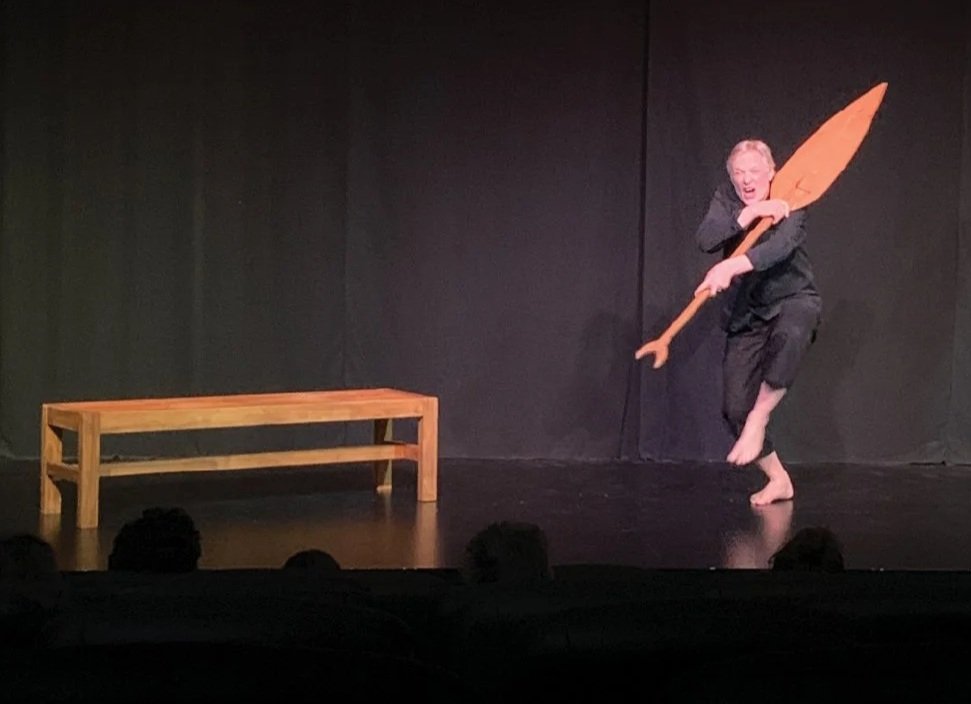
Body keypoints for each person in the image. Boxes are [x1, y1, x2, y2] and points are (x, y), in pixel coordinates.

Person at [694, 139, 822, 506]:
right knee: (734, 409)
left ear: (772, 172)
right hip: (747, 312)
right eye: (739, 173)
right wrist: (749, 214)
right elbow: (706, 238)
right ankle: (779, 480)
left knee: (792, 333)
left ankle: (760, 417)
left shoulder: (794, 193)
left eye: (755, 172)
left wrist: (732, 264)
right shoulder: (727, 198)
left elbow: (780, 247)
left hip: (793, 299)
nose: (747, 180)